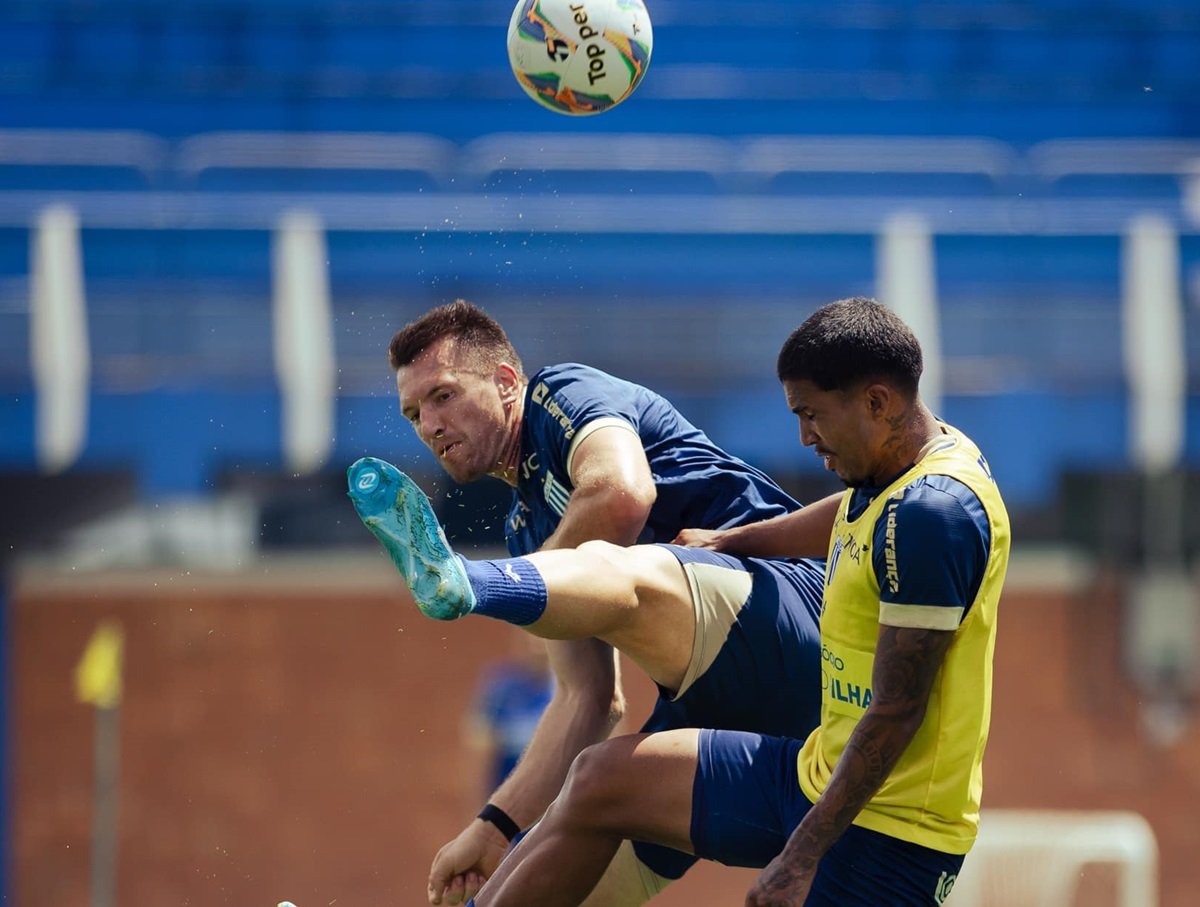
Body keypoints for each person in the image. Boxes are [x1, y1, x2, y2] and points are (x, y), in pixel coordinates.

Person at [355, 296, 1011, 906]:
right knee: (593, 802)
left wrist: (488, 583)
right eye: (415, 414)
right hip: (794, 749)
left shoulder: (563, 398)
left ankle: (470, 582)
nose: (430, 425)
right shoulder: (530, 532)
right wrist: (493, 827)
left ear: (503, 380)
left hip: (798, 645)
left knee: (632, 570)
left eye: (443, 396)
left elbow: (621, 494)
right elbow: (590, 701)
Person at [465, 630, 555, 798]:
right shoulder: (502, 686)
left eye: (543, 643)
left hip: (555, 789)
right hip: (507, 784)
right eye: (531, 643)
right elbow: (480, 740)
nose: (537, 650)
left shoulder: (571, 688)